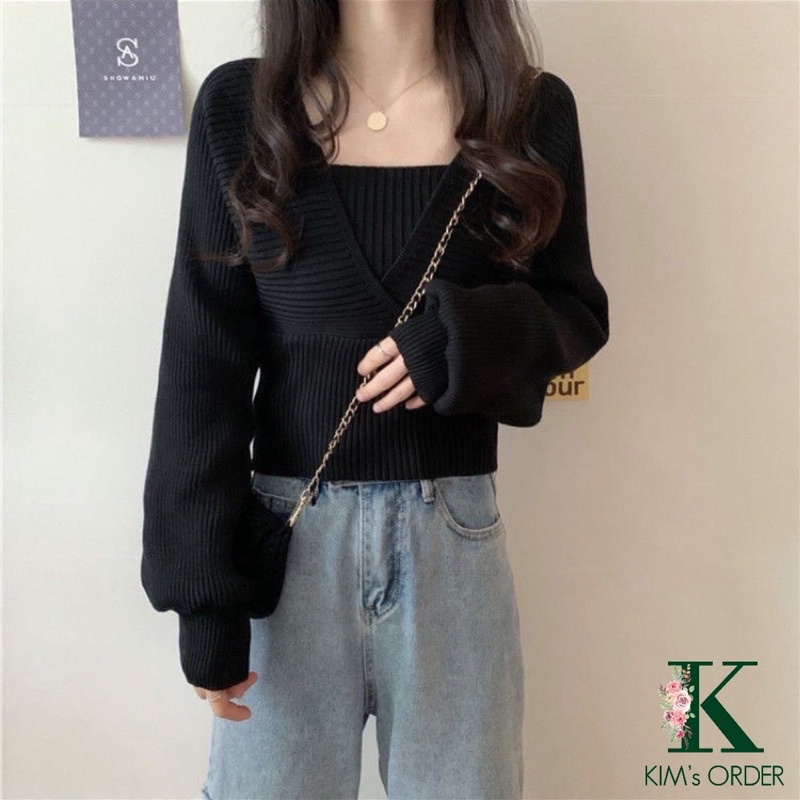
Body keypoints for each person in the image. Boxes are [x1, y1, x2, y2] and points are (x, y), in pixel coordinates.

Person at [140, 0, 610, 797]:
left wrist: (456, 341)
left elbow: (574, 312)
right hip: (284, 551)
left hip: (452, 546)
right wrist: (204, 600)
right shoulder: (241, 110)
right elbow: (202, 363)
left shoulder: (528, 112)